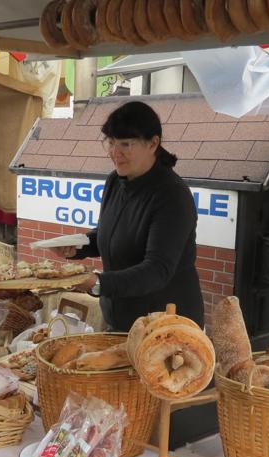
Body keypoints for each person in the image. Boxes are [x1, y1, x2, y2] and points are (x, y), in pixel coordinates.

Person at [49, 100, 204, 331]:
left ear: (153, 143)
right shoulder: (115, 181)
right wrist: (78, 247)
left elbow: (157, 270)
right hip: (123, 320)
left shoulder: (172, 195)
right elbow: (112, 235)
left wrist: (99, 282)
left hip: (165, 326)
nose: (115, 153)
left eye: (126, 144)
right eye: (111, 142)